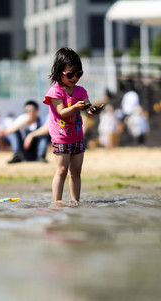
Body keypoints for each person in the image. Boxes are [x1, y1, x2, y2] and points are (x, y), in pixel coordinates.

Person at [43, 47, 104, 204]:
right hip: (61, 137)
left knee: (76, 171)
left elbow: (88, 108)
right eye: (70, 74)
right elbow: (61, 112)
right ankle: (57, 202)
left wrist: (94, 111)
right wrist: (76, 107)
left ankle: (75, 202)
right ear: (59, 73)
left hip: (77, 137)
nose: (74, 78)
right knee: (62, 170)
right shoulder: (55, 92)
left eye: (79, 74)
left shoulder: (81, 91)